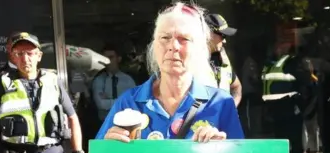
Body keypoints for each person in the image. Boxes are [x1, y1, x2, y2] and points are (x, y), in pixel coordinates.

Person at [96, 2, 244, 141]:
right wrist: (105, 150)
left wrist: (221, 149)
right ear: (154, 46)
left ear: (200, 48)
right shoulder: (130, 102)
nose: (173, 46)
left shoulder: (221, 103)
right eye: (165, 37)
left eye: (184, 38)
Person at [203, 13, 242, 107]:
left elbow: (236, 87)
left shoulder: (223, 59)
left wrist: (231, 108)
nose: (224, 41)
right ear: (208, 34)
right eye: (223, 36)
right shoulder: (189, 61)